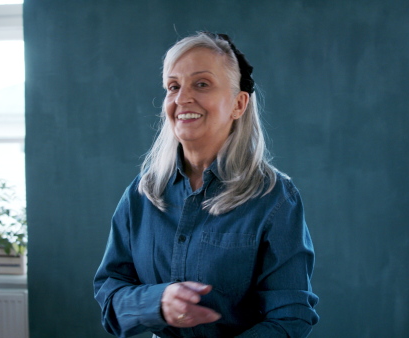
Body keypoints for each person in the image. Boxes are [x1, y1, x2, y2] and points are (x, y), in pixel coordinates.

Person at [94, 31, 319, 338]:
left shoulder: (275, 197)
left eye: (201, 84)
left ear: (238, 104)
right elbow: (110, 297)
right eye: (173, 86)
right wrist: (157, 302)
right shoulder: (141, 194)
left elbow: (291, 317)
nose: (182, 98)